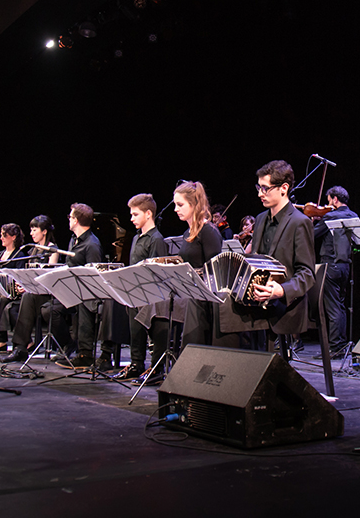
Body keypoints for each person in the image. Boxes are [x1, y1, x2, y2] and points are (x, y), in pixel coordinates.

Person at [184, 161, 316, 352]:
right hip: (256, 297)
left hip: (282, 303)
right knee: (205, 298)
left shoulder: (300, 222)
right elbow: (255, 261)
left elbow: (307, 274)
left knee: (224, 305)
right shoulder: (261, 219)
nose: (260, 194)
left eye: (265, 188)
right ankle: (198, 359)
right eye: (258, 188)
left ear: (284, 188)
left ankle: (229, 365)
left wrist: (281, 290)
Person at [135, 183, 221, 379]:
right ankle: (157, 363)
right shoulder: (187, 233)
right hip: (186, 290)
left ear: (194, 204)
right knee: (155, 301)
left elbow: (215, 270)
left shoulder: (208, 231)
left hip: (201, 296)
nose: (175, 209)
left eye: (180, 205)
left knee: (161, 305)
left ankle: (174, 369)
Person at [114, 194, 169, 380]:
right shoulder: (137, 238)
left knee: (153, 332)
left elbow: (157, 271)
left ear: (148, 214)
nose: (132, 218)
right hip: (135, 291)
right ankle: (136, 364)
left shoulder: (156, 239)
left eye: (135, 214)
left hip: (150, 295)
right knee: (135, 330)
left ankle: (155, 368)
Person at [53, 203, 107, 370]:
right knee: (49, 309)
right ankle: (69, 343)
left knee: (84, 304)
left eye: (70, 217)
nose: (69, 220)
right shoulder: (74, 240)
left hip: (86, 293)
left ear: (75, 220)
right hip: (72, 290)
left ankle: (85, 353)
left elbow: (94, 275)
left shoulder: (92, 244)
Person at [1, 215, 60, 363]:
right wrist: (22, 284)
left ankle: (21, 347)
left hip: (46, 294)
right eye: (31, 230)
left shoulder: (52, 249)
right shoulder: (32, 250)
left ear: (44, 231)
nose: (31, 233)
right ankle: (20, 347)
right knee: (10, 304)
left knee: (26, 298)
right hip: (32, 293)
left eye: (35, 230)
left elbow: (49, 277)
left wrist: (29, 286)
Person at [313, 186, 358, 355]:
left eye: (329, 200)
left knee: (332, 307)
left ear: (335, 199)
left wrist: (313, 221)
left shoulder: (330, 216)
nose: (328, 204)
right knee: (340, 305)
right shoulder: (353, 216)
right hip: (345, 265)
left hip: (330, 264)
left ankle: (334, 347)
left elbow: (312, 234)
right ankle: (341, 344)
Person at [0, 223, 27, 352]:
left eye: (4, 235)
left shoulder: (19, 255)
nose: (1, 238)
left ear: (13, 237)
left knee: (0, 302)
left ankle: (1, 339)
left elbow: (19, 276)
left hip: (14, 294)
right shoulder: (0, 254)